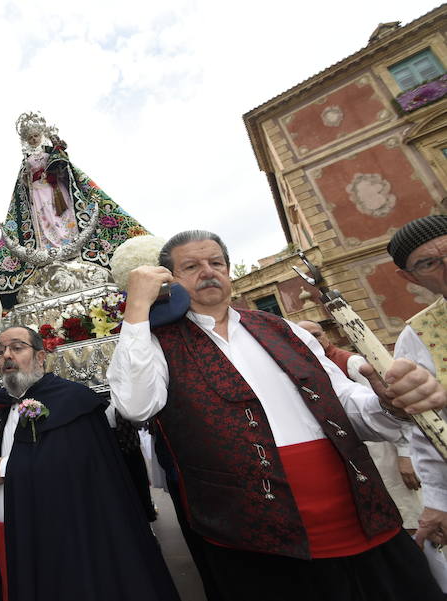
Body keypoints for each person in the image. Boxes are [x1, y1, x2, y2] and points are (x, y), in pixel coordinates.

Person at [107, 229, 446, 601]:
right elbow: (135, 406)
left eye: (216, 263)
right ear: (170, 280)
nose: (208, 272)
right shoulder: (157, 344)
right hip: (259, 543)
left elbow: (347, 404)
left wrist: (388, 405)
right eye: (191, 266)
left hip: (361, 515)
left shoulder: (282, 329)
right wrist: (137, 309)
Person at [0, 326, 181, 601]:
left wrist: (5, 468)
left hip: (62, 534)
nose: (6, 356)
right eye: (0, 352)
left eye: (17, 348)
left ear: (40, 357)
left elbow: (75, 461)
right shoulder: (3, 405)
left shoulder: (72, 399)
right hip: (14, 533)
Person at [0, 112, 149, 308]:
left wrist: (56, 160)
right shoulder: (26, 161)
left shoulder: (51, 150)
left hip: (56, 191)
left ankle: (67, 241)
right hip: (38, 196)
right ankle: (48, 246)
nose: (33, 140)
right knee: (43, 220)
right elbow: (23, 183)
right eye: (30, 138)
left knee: (62, 216)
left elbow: (65, 167)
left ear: (41, 134)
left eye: (35, 136)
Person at [298, 320, 423, 531]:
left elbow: (391, 408)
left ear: (326, 335)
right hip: (360, 456)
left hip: (385, 450)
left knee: (410, 514)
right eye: (307, 337)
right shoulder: (312, 367)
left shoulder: (351, 362)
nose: (314, 341)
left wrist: (405, 454)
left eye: (317, 334)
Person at [388, 215, 447, 547]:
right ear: (409, 277)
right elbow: (426, 426)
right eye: (429, 263)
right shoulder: (419, 336)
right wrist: (439, 501)